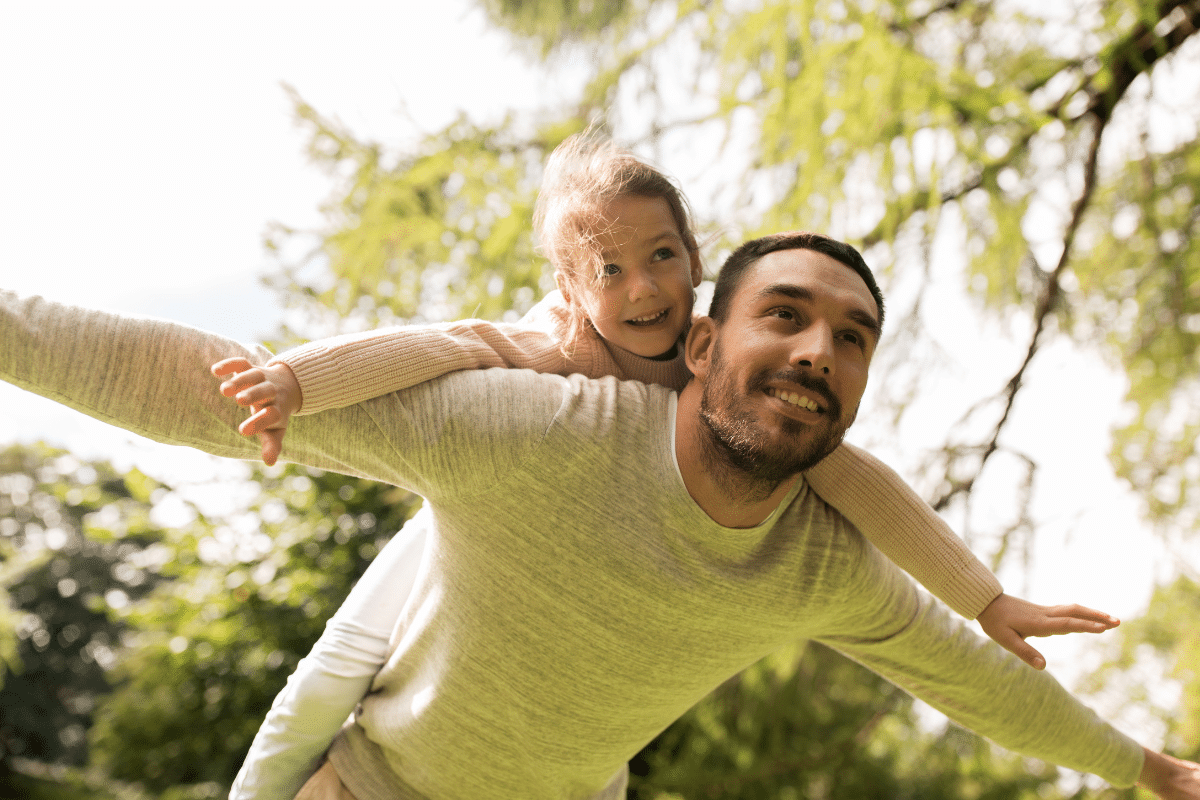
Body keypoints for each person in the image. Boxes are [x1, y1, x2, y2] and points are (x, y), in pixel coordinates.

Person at [3, 232, 1198, 799]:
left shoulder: (823, 563)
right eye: (783, 313)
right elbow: (201, 385)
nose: (817, 348)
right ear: (697, 340)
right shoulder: (531, 427)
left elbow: (981, 680)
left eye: (851, 334)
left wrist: (1152, 768)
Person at [214, 135, 1116, 796]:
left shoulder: (725, 357)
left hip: (603, 581)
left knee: (599, 768)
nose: (641, 288)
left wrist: (985, 598)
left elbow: (860, 482)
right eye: (609, 271)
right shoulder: (549, 350)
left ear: (694, 259)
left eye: (661, 257)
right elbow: (431, 348)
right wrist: (294, 379)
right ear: (571, 290)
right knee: (341, 661)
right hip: (487, 512)